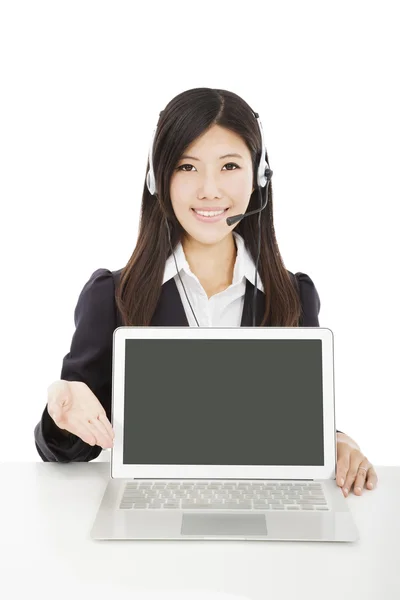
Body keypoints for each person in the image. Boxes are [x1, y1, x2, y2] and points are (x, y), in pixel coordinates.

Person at [34, 87, 377, 496]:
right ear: (157, 179)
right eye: (187, 167)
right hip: (150, 514)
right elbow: (68, 447)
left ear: (260, 175)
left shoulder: (292, 296)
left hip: (262, 509)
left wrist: (338, 441)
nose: (210, 190)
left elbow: (296, 426)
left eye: (230, 165)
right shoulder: (111, 295)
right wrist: (61, 408)